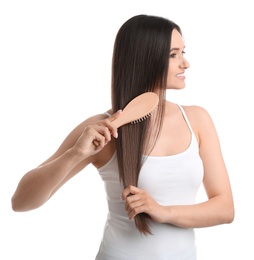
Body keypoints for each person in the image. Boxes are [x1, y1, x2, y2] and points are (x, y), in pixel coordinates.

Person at [11, 14, 234, 259]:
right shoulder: (100, 128)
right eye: (173, 54)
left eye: (183, 51)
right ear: (145, 59)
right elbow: (21, 202)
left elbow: (225, 208)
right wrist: (75, 154)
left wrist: (163, 211)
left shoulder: (197, 119)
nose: (186, 63)